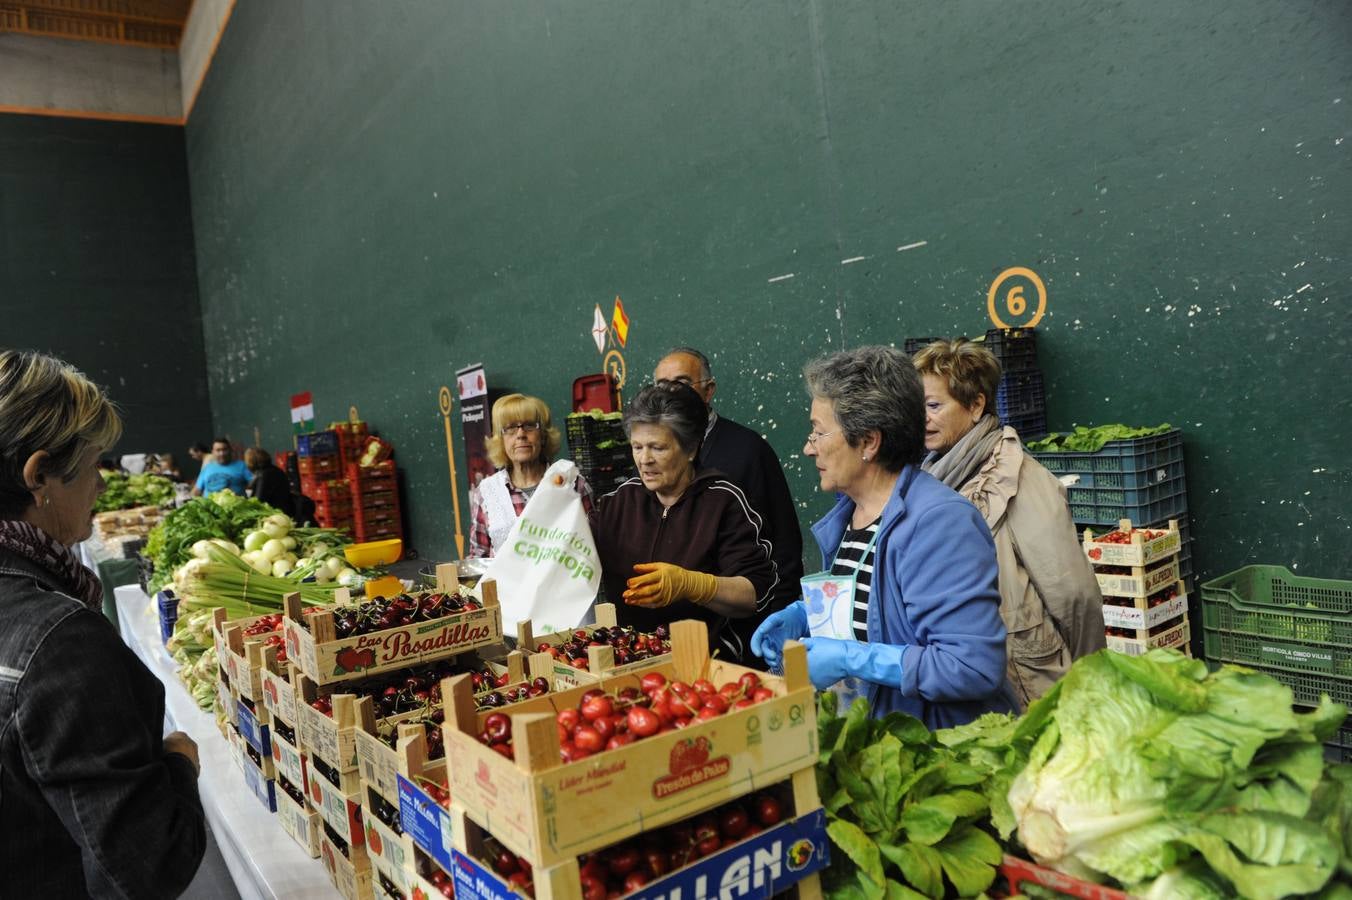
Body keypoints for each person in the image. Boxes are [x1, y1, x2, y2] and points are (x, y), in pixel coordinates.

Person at [0, 349, 205, 896]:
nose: (102, 486)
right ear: (39, 474)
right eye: (93, 467)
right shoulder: (59, 639)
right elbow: (143, 867)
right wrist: (179, 765)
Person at [752, 345, 1014, 729]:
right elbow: (874, 610)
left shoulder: (940, 523)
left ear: (869, 442)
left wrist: (850, 659)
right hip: (877, 743)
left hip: (936, 752)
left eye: (819, 432)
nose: (809, 447)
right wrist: (805, 616)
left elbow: (970, 666)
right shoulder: (850, 514)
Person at [912, 339, 1105, 708]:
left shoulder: (1022, 480)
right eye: (917, 405)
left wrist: (1088, 674)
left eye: (934, 405)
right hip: (971, 678)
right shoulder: (936, 474)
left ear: (976, 405)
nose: (923, 417)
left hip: (1029, 685)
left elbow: (1074, 595)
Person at [592, 382, 778, 661]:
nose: (645, 460)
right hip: (630, 659)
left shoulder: (723, 502)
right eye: (637, 447)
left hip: (708, 660)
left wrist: (693, 585)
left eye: (657, 447)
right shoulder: (618, 502)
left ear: (691, 448)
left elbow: (754, 594)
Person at [653, 347, 804, 667]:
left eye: (681, 383)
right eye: (661, 386)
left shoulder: (748, 450)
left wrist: (779, 617)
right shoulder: (651, 463)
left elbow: (784, 543)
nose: (669, 394)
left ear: (709, 390)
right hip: (681, 634)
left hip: (747, 627)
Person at [469, 393, 594, 558]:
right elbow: (478, 558)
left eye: (529, 425)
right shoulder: (486, 494)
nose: (520, 434)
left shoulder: (572, 483)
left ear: (542, 435)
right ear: (501, 440)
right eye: (510, 428)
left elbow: (593, 549)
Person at [245, 447, 296, 517]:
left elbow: (258, 501)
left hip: (273, 515)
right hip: (285, 512)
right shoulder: (277, 470)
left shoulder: (263, 475)